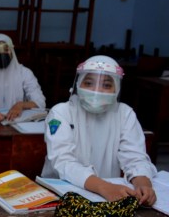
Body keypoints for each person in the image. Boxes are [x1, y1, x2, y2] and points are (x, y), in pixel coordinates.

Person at [41, 55, 157, 206]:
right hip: (61, 194)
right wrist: (104, 187)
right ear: (78, 83)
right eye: (89, 83)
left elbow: (135, 157)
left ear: (117, 88)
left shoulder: (124, 113)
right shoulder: (60, 112)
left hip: (109, 196)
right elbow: (63, 161)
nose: (97, 91)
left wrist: (143, 184)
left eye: (107, 85)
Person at [0, 33, 46, 122]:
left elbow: (40, 101)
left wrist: (21, 105)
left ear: (12, 51)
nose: (2, 53)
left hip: (18, 122)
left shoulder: (25, 73)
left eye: (6, 49)